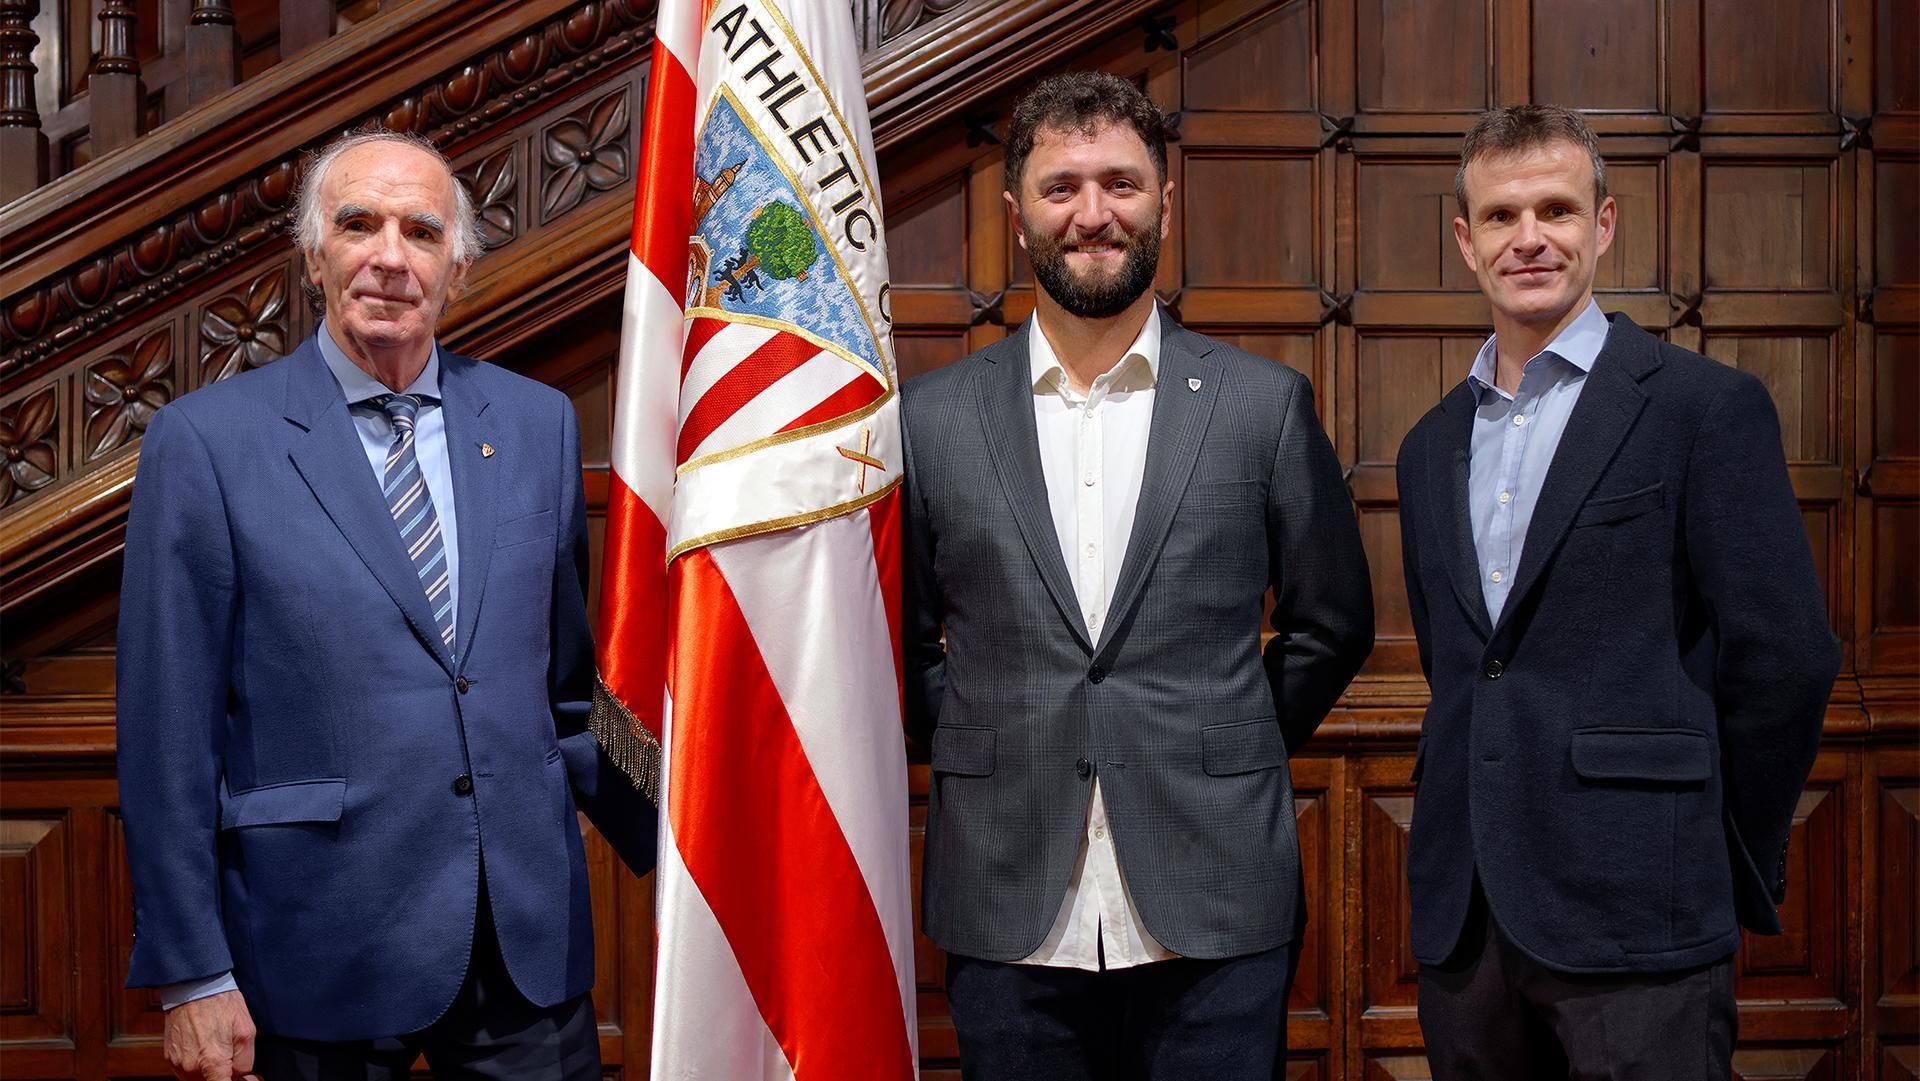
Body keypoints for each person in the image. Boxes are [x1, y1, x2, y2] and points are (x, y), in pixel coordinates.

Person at [115, 129, 656, 1081]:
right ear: (313, 253)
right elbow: (167, 737)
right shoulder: (206, 442)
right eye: (358, 224)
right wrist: (191, 973)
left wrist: (690, 843)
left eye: (421, 230)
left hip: (520, 949)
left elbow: (567, 693)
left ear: (458, 266)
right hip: (312, 951)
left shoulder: (534, 424)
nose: (389, 257)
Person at [901, 71, 1374, 1079]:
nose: (1092, 213)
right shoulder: (931, 419)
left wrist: (1223, 739)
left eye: (1120, 182)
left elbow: (1333, 623)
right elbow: (897, 642)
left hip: (1215, 898)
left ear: (1166, 198)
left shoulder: (1261, 405)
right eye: (1061, 186)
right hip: (1005, 898)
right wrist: (1001, 731)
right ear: (1015, 211)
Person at [1396, 104, 1840, 1077]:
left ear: (1602, 223)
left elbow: (1789, 658)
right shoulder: (1428, 448)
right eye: (1502, 216)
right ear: (1465, 241)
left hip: (1643, 907)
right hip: (1467, 929)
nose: (1530, 238)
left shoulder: (1702, 409)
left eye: (1555, 209)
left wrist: (1712, 848)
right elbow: (1464, 668)